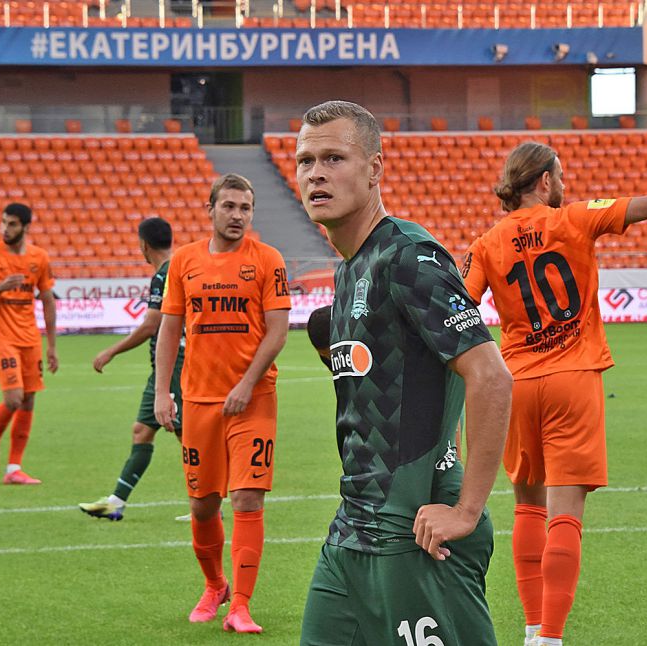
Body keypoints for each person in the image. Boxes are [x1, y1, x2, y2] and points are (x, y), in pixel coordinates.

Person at [461, 142, 647, 646]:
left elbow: (460, 307)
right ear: (544, 180)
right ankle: (551, 637)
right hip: (574, 377)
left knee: (527, 507)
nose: (565, 185)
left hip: (518, 382)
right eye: (560, 176)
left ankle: (531, 629)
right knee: (565, 511)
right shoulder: (575, 218)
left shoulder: (486, 243)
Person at [295, 100, 513, 646]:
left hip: (411, 533)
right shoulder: (350, 271)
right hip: (353, 529)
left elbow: (490, 375)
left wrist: (465, 509)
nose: (316, 173)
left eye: (334, 158)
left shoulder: (409, 256)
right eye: (306, 160)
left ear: (374, 169)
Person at [154, 173, 291, 634]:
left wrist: (247, 384)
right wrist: (162, 392)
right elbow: (169, 330)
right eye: (229, 206)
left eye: (245, 208)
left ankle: (241, 607)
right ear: (210, 209)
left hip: (254, 399)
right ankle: (216, 586)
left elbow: (277, 330)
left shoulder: (268, 260)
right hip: (198, 400)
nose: (237, 215)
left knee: (247, 497)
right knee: (203, 505)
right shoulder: (184, 261)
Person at [78, 216, 186, 521]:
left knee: (188, 437)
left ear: (143, 245)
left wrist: (111, 351)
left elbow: (152, 324)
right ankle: (116, 502)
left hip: (176, 365)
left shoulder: (165, 274)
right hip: (165, 367)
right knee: (142, 430)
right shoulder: (176, 268)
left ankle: (209, 506)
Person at [0, 202, 58, 485]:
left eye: (12, 224)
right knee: (14, 398)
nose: (5, 229)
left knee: (29, 399)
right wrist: (2, 286)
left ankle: (14, 468)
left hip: (30, 338)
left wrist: (52, 346)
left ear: (25, 227)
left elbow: (48, 300)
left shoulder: (39, 257)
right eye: (3, 223)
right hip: (2, 337)